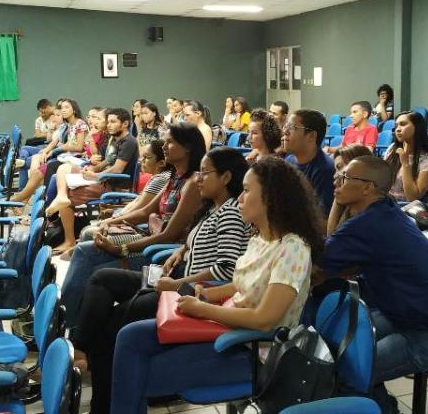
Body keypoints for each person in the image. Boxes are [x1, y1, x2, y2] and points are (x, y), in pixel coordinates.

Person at [109, 156, 324, 414]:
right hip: (228, 328)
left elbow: (265, 320)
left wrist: (203, 310)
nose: (240, 199)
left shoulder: (292, 248)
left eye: (246, 191)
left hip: (256, 350)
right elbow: (240, 284)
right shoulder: (261, 238)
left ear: (271, 197)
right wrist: (207, 294)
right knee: (130, 337)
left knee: (141, 373)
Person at [72, 147, 251, 413]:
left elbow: (226, 269)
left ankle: (100, 397)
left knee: (110, 328)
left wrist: (178, 284)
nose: (199, 178)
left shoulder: (232, 213)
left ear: (226, 177)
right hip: (179, 280)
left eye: (205, 172)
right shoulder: (214, 208)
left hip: (192, 293)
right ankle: (80, 346)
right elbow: (204, 245)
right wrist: (182, 251)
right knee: (102, 278)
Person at [321, 155, 428, 414]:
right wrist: (340, 196)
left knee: (349, 369)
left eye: (344, 178)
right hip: (404, 318)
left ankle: (382, 408)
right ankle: (383, 405)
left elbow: (320, 263)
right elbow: (336, 246)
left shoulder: (371, 223)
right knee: (341, 346)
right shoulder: (383, 209)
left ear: (368, 188)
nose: (337, 182)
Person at [61, 123, 206, 327]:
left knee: (90, 261)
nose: (164, 146)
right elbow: (146, 211)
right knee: (85, 251)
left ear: (188, 147)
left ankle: (68, 322)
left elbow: (169, 235)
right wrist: (111, 221)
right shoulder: (174, 177)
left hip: (163, 252)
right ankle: (69, 320)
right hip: (149, 238)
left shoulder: (193, 183)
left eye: (170, 142)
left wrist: (121, 248)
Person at [45, 108, 139, 254]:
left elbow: (118, 169)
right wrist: (91, 169)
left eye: (113, 122)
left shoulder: (129, 142)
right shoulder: (114, 139)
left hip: (114, 187)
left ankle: (69, 241)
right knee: (64, 168)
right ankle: (61, 196)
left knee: (70, 195)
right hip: (103, 180)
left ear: (125, 123)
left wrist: (95, 176)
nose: (109, 125)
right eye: (108, 121)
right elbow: (107, 162)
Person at [11, 98, 88, 207]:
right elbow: (54, 142)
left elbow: (79, 147)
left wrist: (61, 148)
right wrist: (47, 151)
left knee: (46, 167)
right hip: (64, 157)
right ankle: (21, 200)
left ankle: (23, 200)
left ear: (74, 110)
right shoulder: (66, 125)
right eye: (62, 108)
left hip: (74, 160)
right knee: (38, 171)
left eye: (67, 107)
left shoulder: (80, 124)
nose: (63, 110)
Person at [283, 108, 334, 214]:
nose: (285, 132)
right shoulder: (289, 161)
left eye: (292, 127)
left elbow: (321, 217)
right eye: (286, 126)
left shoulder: (325, 170)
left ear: (311, 136)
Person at [384, 111, 428, 202]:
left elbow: (412, 198)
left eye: (403, 124)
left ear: (417, 128)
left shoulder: (427, 161)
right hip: (386, 203)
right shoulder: (392, 149)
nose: (398, 129)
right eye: (396, 126)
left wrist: (405, 164)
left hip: (407, 209)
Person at [326, 145, 373, 235]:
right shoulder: (352, 199)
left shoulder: (372, 208)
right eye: (335, 170)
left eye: (339, 167)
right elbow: (331, 236)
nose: (335, 176)